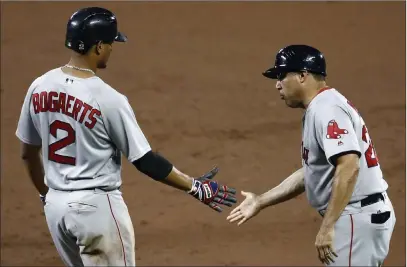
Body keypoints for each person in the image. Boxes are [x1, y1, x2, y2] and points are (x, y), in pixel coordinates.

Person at [16, 7, 236, 267]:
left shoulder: (39, 86)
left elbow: (27, 153)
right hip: (96, 211)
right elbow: (145, 161)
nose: (112, 49)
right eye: (110, 43)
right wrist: (194, 186)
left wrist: (47, 195)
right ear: (98, 47)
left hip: (56, 210)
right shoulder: (108, 98)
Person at [226, 44, 396, 266]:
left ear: (303, 75)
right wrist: (260, 201)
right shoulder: (320, 107)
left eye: (281, 76)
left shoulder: (327, 109)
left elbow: (349, 166)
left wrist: (327, 226)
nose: (277, 85)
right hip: (358, 216)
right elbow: (314, 172)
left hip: (356, 217)